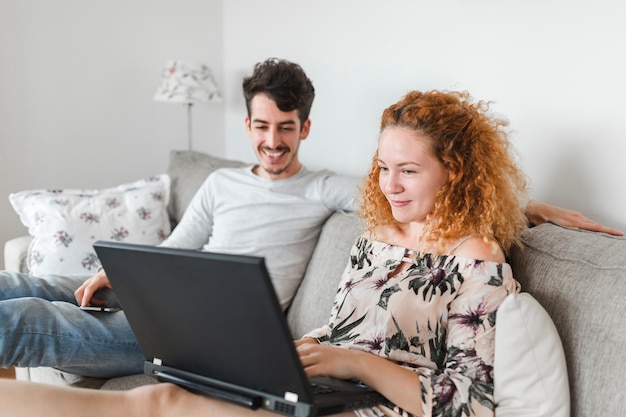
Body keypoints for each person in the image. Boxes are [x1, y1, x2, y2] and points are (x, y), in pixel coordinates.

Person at [0, 59, 621, 381]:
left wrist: (528, 209)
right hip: (170, 300)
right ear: (248, 126)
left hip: (218, 335)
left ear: (304, 129)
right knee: (20, 286)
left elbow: (431, 199)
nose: (274, 141)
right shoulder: (218, 182)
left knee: (29, 320)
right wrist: (123, 277)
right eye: (263, 127)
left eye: (286, 128)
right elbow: (179, 247)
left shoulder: (328, 190)